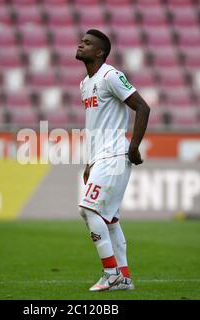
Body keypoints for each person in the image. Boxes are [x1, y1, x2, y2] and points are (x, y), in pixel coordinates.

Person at [75, 29, 151, 292]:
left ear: (100, 52)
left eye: (87, 43)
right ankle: (124, 277)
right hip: (100, 158)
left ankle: (110, 273)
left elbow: (143, 107)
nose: (80, 45)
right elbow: (96, 125)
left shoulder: (111, 76)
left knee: (88, 209)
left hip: (116, 154)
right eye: (81, 41)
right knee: (110, 219)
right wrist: (89, 162)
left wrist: (134, 146)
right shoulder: (84, 84)